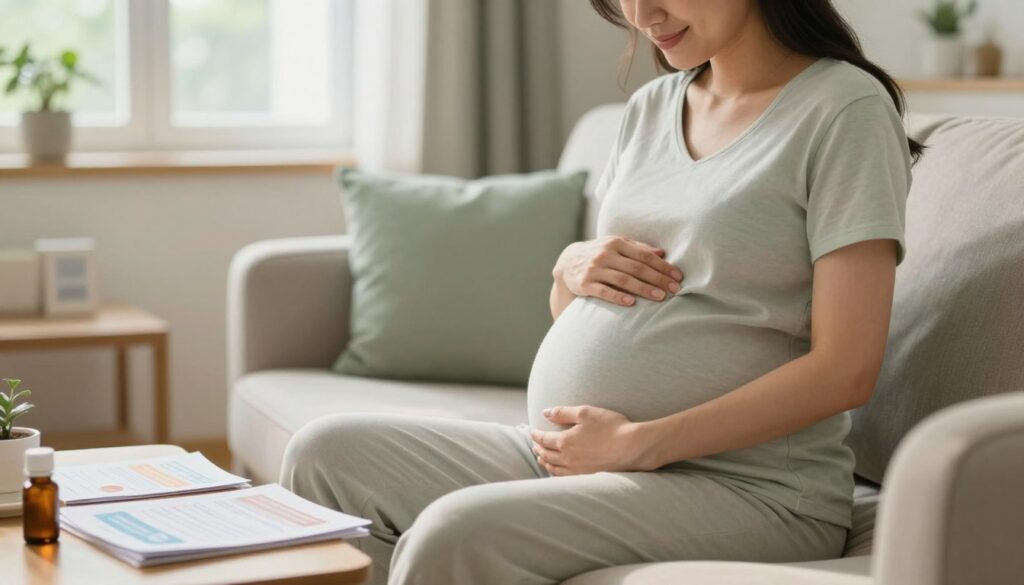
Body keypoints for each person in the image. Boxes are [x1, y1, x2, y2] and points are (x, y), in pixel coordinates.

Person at [279, 1, 922, 583]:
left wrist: (639, 442)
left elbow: (846, 370)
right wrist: (569, 275)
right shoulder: (651, 108)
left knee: (454, 533)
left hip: (746, 485)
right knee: (324, 454)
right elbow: (589, 313)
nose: (641, 15)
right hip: (574, 454)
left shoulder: (843, 109)